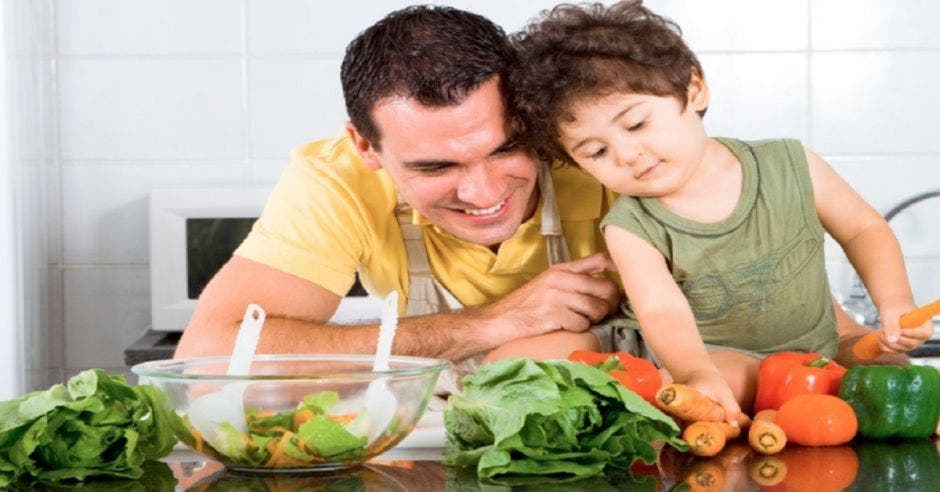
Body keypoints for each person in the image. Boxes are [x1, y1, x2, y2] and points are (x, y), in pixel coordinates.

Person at [510, 0, 934, 423]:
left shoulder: (791, 164)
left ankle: (812, 405)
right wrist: (696, 372)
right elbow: (661, 309)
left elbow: (863, 228)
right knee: (727, 381)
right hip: (722, 359)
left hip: (823, 347)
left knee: (894, 375)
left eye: (636, 124)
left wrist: (894, 301)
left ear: (693, 89)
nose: (627, 154)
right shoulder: (629, 227)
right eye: (597, 151)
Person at [175, 5, 623, 374]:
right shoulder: (339, 178)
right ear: (365, 146)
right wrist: (488, 324)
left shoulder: (602, 146)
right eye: (435, 167)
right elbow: (206, 359)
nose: (483, 193)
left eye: (508, 148)